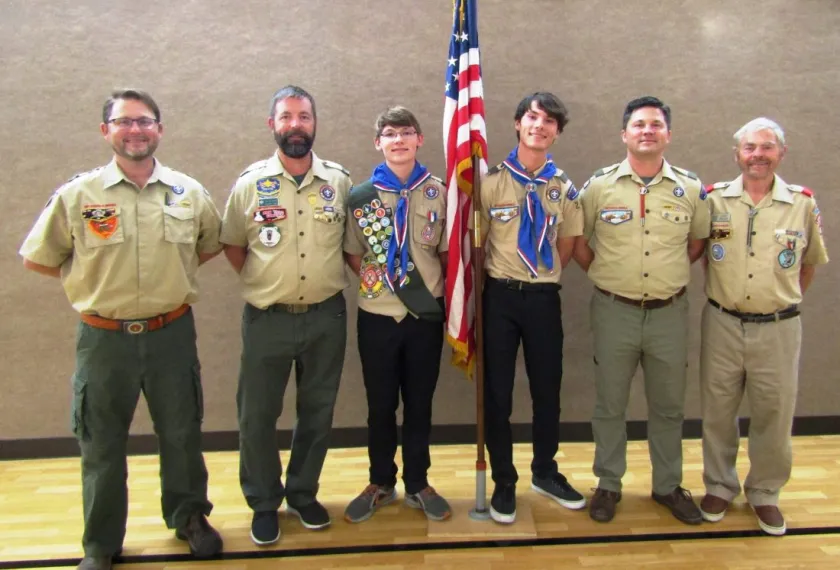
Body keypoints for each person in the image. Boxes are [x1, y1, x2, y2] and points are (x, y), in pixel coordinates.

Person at [19, 89, 224, 570]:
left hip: (171, 333)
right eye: (124, 121)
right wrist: (87, 284)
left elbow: (210, 244)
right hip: (103, 339)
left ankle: (189, 517)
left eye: (145, 121)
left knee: (181, 434)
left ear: (160, 129)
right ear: (106, 130)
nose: (135, 130)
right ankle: (101, 542)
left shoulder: (187, 192)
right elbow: (38, 257)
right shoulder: (78, 195)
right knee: (101, 443)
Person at [220, 85, 352, 546]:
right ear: (271, 124)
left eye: (304, 116)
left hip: (326, 317)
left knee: (317, 412)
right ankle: (262, 502)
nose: (296, 124)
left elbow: (350, 247)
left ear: (315, 124)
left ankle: (302, 492)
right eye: (287, 116)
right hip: (267, 319)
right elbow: (234, 246)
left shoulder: (339, 182)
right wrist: (268, 286)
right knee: (257, 415)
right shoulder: (249, 184)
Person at [574, 96, 710, 525]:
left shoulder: (690, 188)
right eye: (639, 125)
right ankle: (608, 484)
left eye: (655, 124)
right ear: (624, 134)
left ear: (668, 134)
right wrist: (612, 275)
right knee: (610, 404)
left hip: (669, 313)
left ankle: (668, 485)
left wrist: (663, 277)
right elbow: (579, 242)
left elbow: (696, 243)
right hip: (615, 310)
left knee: (669, 406)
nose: (647, 130)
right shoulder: (599, 186)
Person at [699, 118, 828, 536]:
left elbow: (807, 266)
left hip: (778, 327)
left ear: (781, 153)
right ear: (737, 154)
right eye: (750, 147)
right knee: (718, 411)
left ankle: (766, 492)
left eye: (767, 147)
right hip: (722, 321)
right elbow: (703, 255)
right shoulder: (715, 200)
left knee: (774, 414)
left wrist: (777, 300)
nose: (758, 154)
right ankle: (719, 485)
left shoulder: (802, 204)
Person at [479, 92, 585, 525]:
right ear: (518, 123)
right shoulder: (490, 183)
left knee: (547, 389)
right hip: (499, 297)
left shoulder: (564, 187)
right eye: (532, 118)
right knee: (498, 393)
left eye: (549, 121)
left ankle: (545, 471)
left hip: (543, 299)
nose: (539, 126)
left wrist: (539, 277)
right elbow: (477, 242)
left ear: (557, 132)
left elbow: (567, 244)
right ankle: (504, 479)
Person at [342, 107, 451, 524]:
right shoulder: (361, 196)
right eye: (390, 133)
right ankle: (380, 481)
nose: (399, 140)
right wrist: (385, 282)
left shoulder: (438, 192)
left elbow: (443, 253)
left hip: (425, 316)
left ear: (419, 140)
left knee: (420, 403)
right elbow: (354, 253)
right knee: (380, 405)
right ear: (379, 143)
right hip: (378, 315)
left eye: (407, 132)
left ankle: (419, 482)